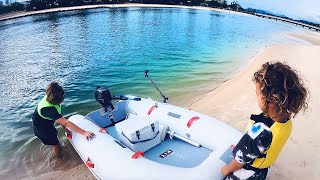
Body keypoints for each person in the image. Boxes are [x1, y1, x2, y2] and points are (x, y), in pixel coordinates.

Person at [221, 62, 308, 179]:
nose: (255, 96)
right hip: (263, 169)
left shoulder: (260, 132)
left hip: (248, 173)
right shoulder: (286, 120)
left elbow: (239, 161)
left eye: (257, 93)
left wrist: (226, 169)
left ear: (271, 100)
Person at [32, 82, 95, 158]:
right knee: (55, 143)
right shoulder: (48, 109)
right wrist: (84, 132)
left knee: (54, 136)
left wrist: (65, 129)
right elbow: (66, 123)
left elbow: (59, 117)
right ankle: (58, 158)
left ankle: (57, 150)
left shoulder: (51, 98)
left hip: (46, 124)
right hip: (41, 129)